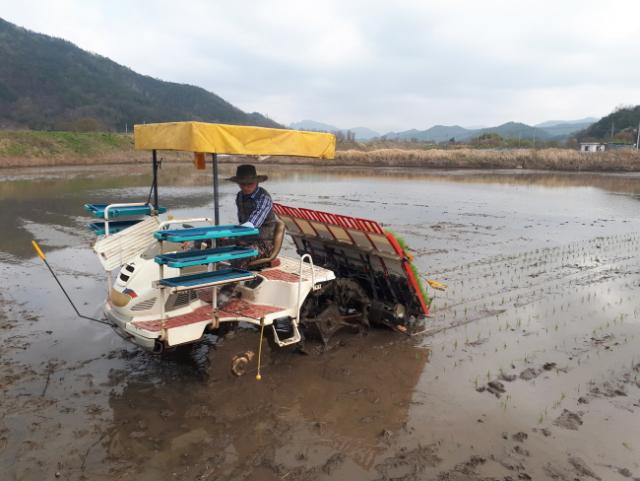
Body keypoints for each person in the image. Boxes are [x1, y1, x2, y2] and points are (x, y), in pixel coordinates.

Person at [226, 164, 277, 260]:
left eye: (249, 184)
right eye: (242, 184)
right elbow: (242, 222)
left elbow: (252, 224)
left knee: (239, 256)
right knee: (212, 244)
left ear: (256, 182)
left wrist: (233, 235)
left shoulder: (264, 198)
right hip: (244, 239)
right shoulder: (240, 196)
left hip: (263, 243)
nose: (245, 187)